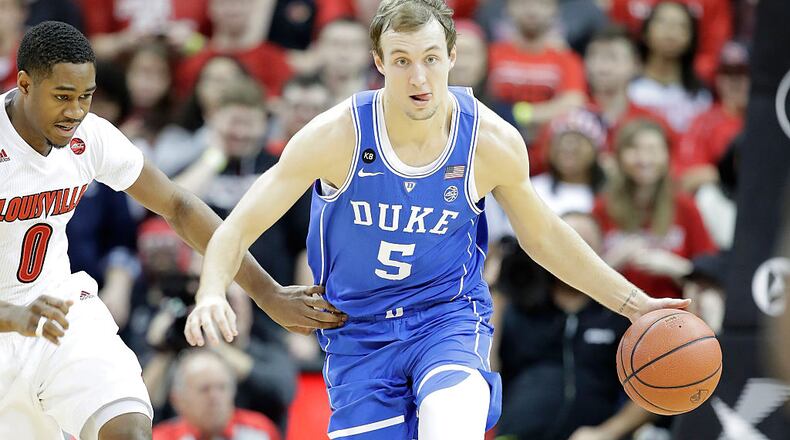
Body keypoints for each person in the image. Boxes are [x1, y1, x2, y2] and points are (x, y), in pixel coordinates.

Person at [187, 1, 689, 438]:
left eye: (430, 58)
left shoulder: (490, 141)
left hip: (446, 316)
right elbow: (237, 225)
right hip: (357, 331)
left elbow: (545, 236)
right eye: (402, 61)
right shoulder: (336, 135)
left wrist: (633, 303)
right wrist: (211, 292)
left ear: (453, 56)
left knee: (452, 422)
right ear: (379, 62)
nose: (419, 78)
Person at [0, 21, 344, 440]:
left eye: (85, 97)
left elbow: (178, 206)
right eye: (62, 97)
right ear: (24, 84)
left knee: (129, 430)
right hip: (7, 323)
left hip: (60, 312)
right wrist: (13, 315)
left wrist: (267, 293)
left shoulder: (89, 136)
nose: (75, 112)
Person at [152, 349, 282, 440]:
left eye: (222, 387)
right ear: (177, 400)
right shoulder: (160, 437)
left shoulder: (260, 430)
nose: (215, 397)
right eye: (204, 389)